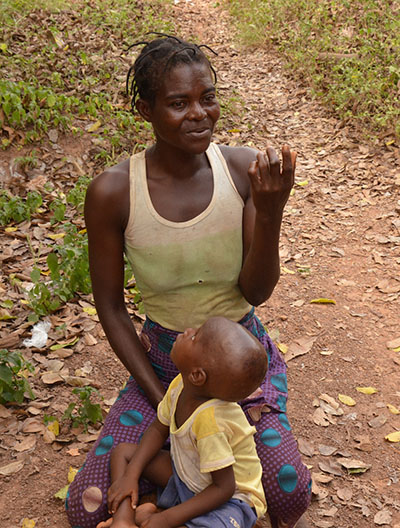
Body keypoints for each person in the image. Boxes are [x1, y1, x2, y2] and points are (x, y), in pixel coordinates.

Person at [66, 34, 311, 528]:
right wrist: (168, 404)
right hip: (162, 361)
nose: (199, 113)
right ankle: (180, 483)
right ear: (144, 110)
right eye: (178, 103)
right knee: (86, 505)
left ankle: (180, 487)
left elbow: (256, 291)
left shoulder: (241, 171)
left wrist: (270, 214)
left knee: (288, 497)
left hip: (234, 359)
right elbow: (111, 308)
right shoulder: (114, 191)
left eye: (208, 98)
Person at [97, 316, 268, 528]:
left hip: (232, 500)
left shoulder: (211, 422)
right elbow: (158, 430)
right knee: (123, 453)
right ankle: (124, 520)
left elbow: (223, 488)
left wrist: (167, 519)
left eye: (195, 337)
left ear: (197, 375)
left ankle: (154, 514)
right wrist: (131, 476)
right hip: (189, 475)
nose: (187, 330)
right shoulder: (181, 384)